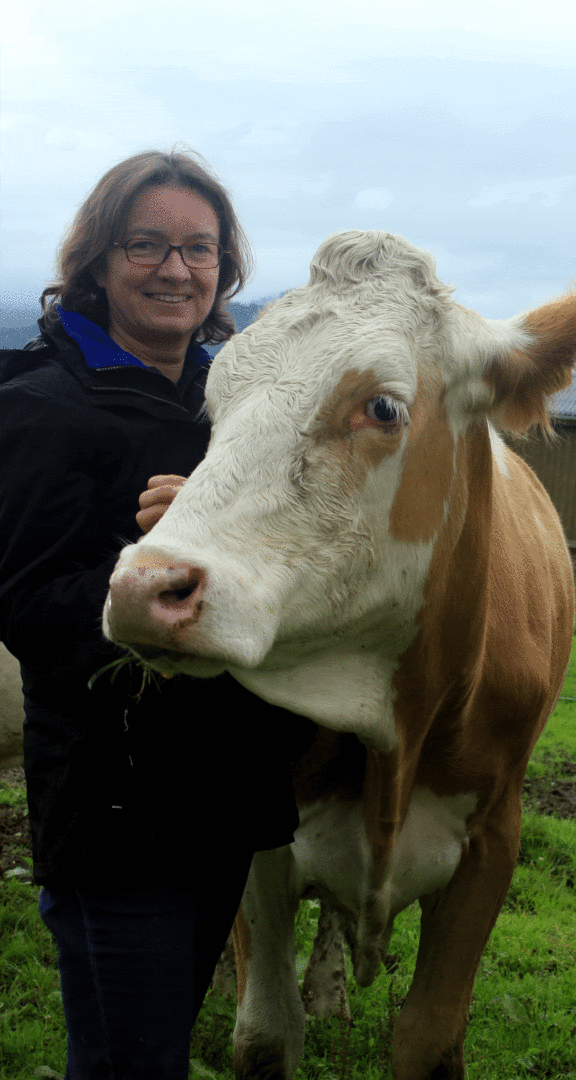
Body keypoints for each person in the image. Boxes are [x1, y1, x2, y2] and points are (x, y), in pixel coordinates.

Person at [0, 149, 306, 1080]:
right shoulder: (42, 408)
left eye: (199, 249)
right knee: (136, 1060)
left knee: (130, 1050)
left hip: (220, 799)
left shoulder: (239, 410)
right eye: (147, 246)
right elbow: (30, 609)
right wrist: (160, 556)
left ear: (225, 268)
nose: (177, 270)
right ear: (96, 259)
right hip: (119, 808)